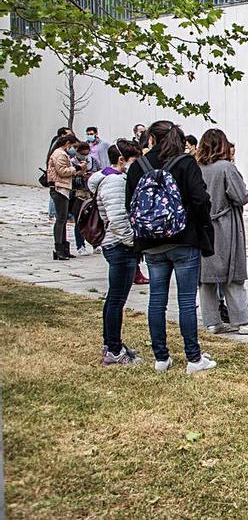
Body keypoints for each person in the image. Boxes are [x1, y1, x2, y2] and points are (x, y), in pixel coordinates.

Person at [125, 120, 217, 373]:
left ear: (151, 139)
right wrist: (202, 228)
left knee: (157, 300)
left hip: (152, 243)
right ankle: (194, 358)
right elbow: (200, 199)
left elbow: (129, 205)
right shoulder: (186, 163)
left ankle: (161, 357)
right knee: (187, 301)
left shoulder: (137, 168)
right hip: (184, 239)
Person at [196, 129, 248, 336]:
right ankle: (242, 320)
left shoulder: (196, 167)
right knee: (233, 274)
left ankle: (212, 321)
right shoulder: (226, 168)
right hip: (225, 225)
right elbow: (240, 196)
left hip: (201, 226)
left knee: (207, 277)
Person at [88, 139, 143, 365]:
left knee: (114, 298)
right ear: (121, 160)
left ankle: (111, 343)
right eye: (134, 162)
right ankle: (113, 348)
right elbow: (119, 219)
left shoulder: (110, 179)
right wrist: (133, 242)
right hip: (119, 246)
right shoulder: (114, 182)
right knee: (116, 299)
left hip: (117, 245)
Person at [46, 134, 83, 260]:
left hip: (63, 187)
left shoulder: (60, 153)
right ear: (67, 143)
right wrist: (76, 168)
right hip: (59, 188)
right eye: (72, 146)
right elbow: (62, 171)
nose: (72, 148)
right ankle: (59, 248)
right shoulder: (60, 154)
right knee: (61, 219)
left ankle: (63, 247)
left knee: (63, 219)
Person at [70, 141, 95, 255]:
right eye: (82, 154)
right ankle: (80, 245)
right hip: (78, 194)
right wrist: (79, 174)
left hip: (90, 193)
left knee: (92, 219)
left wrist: (91, 175)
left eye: (86, 153)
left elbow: (99, 172)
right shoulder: (72, 162)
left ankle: (96, 243)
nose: (84, 156)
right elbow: (69, 177)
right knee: (79, 220)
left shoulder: (93, 161)